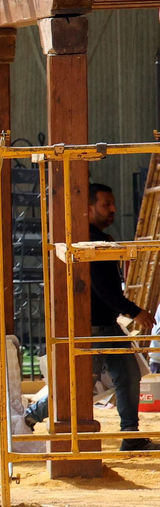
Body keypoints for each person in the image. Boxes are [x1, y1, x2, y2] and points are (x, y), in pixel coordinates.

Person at [22, 183, 155, 450]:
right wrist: (135, 311)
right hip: (94, 325)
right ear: (89, 207)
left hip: (102, 324)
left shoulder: (95, 240)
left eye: (113, 204)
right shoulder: (91, 242)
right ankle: (30, 416)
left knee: (126, 375)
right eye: (106, 204)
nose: (113, 209)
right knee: (81, 384)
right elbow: (104, 289)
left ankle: (131, 435)